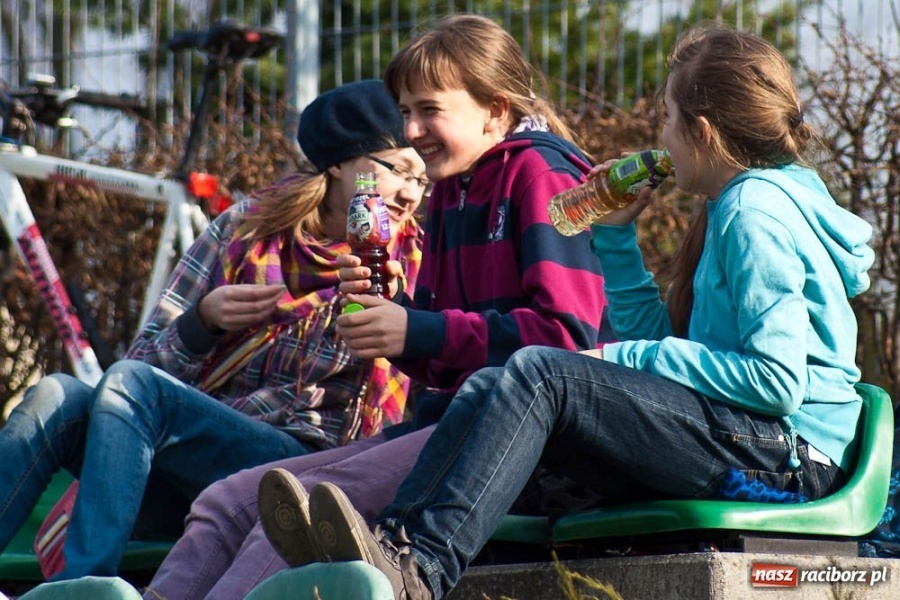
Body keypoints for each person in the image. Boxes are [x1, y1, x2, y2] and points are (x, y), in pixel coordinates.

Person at [260, 23, 876, 600]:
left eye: (666, 117)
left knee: (542, 371)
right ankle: (391, 546)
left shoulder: (756, 211)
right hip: (746, 434)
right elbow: (670, 348)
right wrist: (616, 239)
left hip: (790, 455)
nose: (658, 135)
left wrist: (618, 357)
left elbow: (775, 382)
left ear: (704, 132)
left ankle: (417, 567)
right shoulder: (732, 206)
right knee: (496, 382)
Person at [142, 15, 611, 600]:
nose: (411, 129)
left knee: (297, 512)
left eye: (429, 110)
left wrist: (418, 329)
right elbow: (444, 360)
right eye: (405, 111)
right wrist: (397, 313)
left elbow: (565, 341)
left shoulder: (540, 174)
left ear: (494, 109)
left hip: (523, 448)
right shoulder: (449, 193)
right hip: (446, 424)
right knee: (226, 501)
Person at [0, 79, 425, 581]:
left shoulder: (404, 259)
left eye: (422, 179)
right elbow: (142, 364)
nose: (409, 193)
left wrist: (394, 308)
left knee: (134, 386)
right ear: (338, 163)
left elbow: (427, 376)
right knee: (55, 396)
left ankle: (83, 586)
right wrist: (204, 321)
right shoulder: (247, 229)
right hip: (192, 459)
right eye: (398, 169)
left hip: (297, 469)